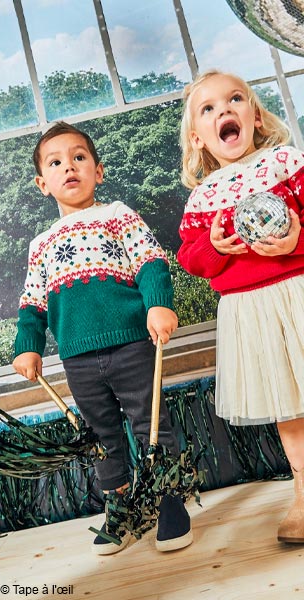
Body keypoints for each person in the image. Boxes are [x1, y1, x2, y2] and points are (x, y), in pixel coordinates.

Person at [12, 121, 192, 555]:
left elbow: (151, 262)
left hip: (132, 344)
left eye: (79, 158)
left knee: (151, 425)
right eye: (56, 162)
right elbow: (32, 304)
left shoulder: (118, 215)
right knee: (100, 436)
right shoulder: (41, 244)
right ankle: (120, 509)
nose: (69, 167)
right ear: (42, 183)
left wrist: (157, 303)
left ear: (99, 171)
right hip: (78, 358)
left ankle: (170, 503)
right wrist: (27, 347)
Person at [178, 69, 304, 543]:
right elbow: (191, 258)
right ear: (198, 137)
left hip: (299, 290)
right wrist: (216, 247)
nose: (223, 111)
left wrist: (297, 240)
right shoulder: (203, 198)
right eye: (208, 109)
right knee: (289, 405)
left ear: (254, 114)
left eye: (234, 99)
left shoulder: (288, 163)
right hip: (251, 312)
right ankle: (303, 491)